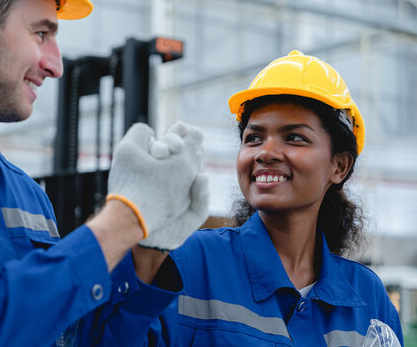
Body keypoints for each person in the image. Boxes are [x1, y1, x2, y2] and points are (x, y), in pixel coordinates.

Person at [0, 0, 209, 345]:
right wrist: (125, 217)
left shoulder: (27, 196)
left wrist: (146, 251)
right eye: (41, 33)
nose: (56, 65)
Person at [82, 51, 403, 346]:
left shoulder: (368, 298)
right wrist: (136, 253)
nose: (266, 152)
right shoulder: (189, 263)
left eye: (294, 137)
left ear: (339, 165)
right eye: (254, 138)